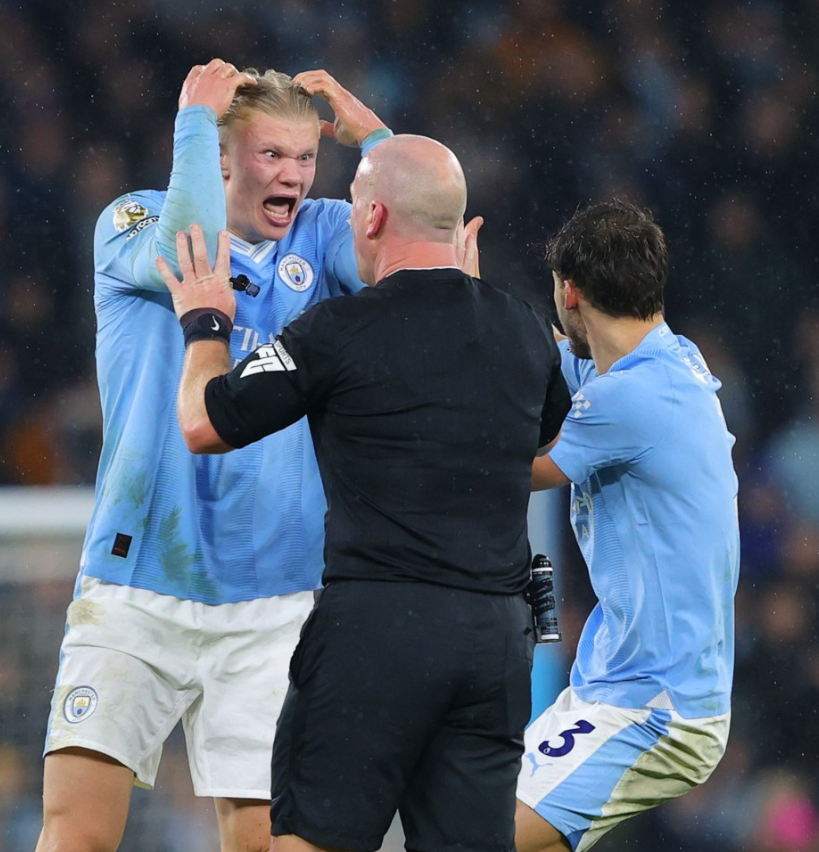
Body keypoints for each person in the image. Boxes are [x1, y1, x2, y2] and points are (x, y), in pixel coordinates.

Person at [154, 133, 573, 852]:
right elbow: (549, 444)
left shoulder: (337, 330)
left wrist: (206, 321)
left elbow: (203, 423)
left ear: (373, 217)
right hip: (494, 645)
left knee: (310, 841)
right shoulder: (524, 328)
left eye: (351, 205)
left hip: (376, 631)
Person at [37, 60, 391, 852]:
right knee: (76, 832)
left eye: (306, 158)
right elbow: (191, 246)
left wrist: (372, 139)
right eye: (272, 155)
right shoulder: (134, 222)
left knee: (264, 840)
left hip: (273, 592)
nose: (294, 176)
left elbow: (420, 239)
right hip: (136, 579)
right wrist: (193, 124)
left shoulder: (325, 234)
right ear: (221, 160)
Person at [514, 200, 740, 852]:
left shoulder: (627, 399)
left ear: (570, 290)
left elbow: (513, 470)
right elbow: (559, 356)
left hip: (654, 708)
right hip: (618, 687)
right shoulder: (665, 360)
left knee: (471, 831)